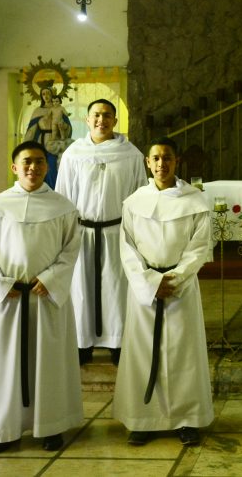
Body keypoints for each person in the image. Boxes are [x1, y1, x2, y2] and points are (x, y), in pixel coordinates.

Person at [0, 141, 83, 454]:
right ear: (14, 167)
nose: (33, 168)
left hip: (46, 297)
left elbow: (71, 249)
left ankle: (50, 427)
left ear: (47, 167)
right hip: (9, 297)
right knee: (6, 364)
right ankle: (4, 429)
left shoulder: (63, 207)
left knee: (49, 363)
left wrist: (51, 279)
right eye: (26, 162)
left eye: (39, 162)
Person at [112, 137, 214, 447]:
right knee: (143, 352)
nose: (161, 163)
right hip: (144, 288)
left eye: (167, 157)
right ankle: (143, 419)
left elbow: (200, 246)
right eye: (155, 158)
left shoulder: (194, 200)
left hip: (179, 287)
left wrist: (176, 278)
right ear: (147, 162)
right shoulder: (134, 202)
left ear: (177, 160)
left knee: (183, 353)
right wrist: (148, 282)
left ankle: (187, 419)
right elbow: (126, 247)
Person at [56, 98, 149, 366]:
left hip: (115, 231)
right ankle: (81, 344)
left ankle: (117, 343)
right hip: (82, 232)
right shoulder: (74, 154)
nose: (101, 120)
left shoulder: (130, 154)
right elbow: (63, 195)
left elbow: (139, 195)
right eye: (96, 115)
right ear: (87, 120)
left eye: (107, 115)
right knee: (80, 289)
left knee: (116, 288)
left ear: (115, 121)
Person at [25, 86, 73, 188]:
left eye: (48, 93)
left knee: (52, 167)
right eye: (43, 94)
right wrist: (26, 145)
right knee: (38, 166)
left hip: (54, 143)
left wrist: (63, 126)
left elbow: (68, 128)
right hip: (40, 142)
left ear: (52, 95)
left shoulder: (59, 109)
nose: (46, 96)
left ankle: (53, 189)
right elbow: (31, 130)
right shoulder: (37, 111)